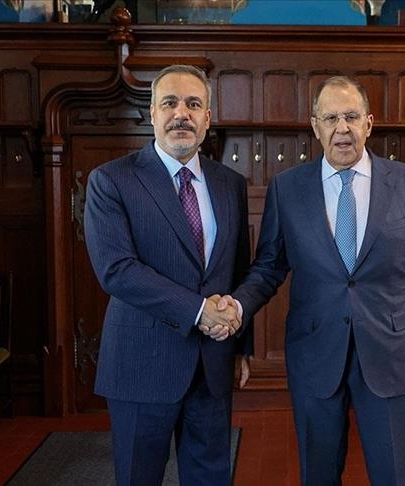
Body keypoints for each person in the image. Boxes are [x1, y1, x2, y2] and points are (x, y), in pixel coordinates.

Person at [222, 76, 405, 485]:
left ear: (369, 123)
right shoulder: (287, 188)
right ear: (315, 126)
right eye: (330, 118)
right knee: (319, 475)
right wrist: (238, 307)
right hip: (314, 355)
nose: (342, 128)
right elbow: (268, 267)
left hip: (389, 354)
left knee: (395, 476)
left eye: (351, 116)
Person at [83, 64, 251, 485]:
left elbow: (238, 269)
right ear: (152, 114)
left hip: (212, 366)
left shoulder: (230, 183)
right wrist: (199, 311)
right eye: (170, 103)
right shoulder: (111, 180)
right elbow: (117, 270)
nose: (181, 114)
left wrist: (240, 347)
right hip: (142, 366)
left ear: (207, 118)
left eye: (193, 104)